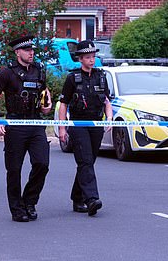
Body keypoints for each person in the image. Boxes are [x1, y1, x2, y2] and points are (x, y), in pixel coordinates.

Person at [0, 35, 52, 222]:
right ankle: (17, 209)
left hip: (35, 123)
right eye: (27, 50)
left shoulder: (39, 70)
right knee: (14, 169)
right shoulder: (7, 72)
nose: (31, 53)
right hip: (15, 125)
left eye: (32, 50)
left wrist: (47, 104)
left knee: (42, 164)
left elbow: (44, 92)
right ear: (18, 53)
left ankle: (29, 201)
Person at [58, 40, 113, 216]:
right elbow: (63, 104)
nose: (91, 60)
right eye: (88, 57)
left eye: (93, 56)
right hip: (78, 124)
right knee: (85, 161)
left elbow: (106, 101)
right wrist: (62, 128)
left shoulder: (101, 76)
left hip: (96, 124)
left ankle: (77, 197)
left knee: (88, 162)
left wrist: (109, 119)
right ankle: (91, 199)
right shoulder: (72, 78)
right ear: (80, 59)